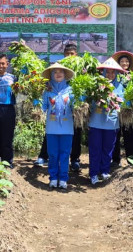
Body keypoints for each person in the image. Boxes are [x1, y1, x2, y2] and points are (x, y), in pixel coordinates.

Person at [35, 43, 83, 171]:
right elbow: (47, 80)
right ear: (63, 55)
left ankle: (74, 160)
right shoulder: (58, 67)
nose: (69, 56)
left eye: (72, 54)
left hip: (73, 105)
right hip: (56, 102)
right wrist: (47, 86)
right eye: (67, 54)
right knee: (52, 128)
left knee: (76, 132)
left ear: (76, 54)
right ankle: (44, 156)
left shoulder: (82, 67)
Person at [89, 58, 125, 185]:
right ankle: (93, 173)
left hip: (111, 123)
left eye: (112, 72)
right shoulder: (96, 85)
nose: (110, 75)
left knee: (108, 148)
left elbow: (123, 102)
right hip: (96, 122)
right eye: (107, 72)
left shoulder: (120, 86)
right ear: (103, 72)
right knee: (95, 148)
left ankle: (104, 170)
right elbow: (89, 101)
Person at [40, 63, 76, 190]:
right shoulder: (47, 91)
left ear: (65, 75)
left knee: (65, 154)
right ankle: (53, 178)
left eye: (61, 72)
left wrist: (80, 102)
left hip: (67, 128)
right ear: (51, 75)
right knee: (53, 154)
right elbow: (43, 107)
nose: (58, 74)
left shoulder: (71, 91)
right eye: (55, 72)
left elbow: (75, 108)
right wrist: (36, 103)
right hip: (52, 128)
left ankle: (63, 178)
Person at [112, 51, 133, 166]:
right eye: (122, 61)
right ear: (118, 63)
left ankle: (132, 160)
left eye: (126, 61)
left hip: (129, 110)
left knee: (131, 135)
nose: (124, 63)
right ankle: (115, 160)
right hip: (117, 109)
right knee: (115, 136)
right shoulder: (115, 76)